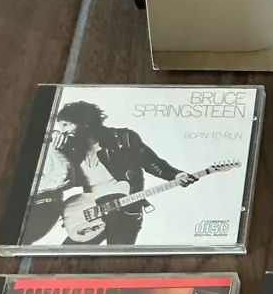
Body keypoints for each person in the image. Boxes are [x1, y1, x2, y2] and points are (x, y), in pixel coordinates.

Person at [26, 100, 197, 246]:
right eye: (60, 126)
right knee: (66, 258)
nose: (63, 130)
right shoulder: (71, 150)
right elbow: (45, 162)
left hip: (125, 212)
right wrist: (52, 134)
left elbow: (151, 162)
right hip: (93, 213)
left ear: (84, 122)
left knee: (116, 261)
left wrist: (175, 175)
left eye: (66, 124)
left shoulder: (124, 139)